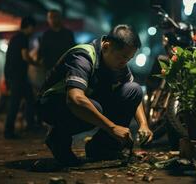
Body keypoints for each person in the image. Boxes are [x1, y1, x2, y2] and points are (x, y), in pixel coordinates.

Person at [37, 24, 153, 166]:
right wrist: (112, 128)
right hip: (50, 104)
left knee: (133, 90)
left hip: (83, 101)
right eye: (122, 57)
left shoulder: (118, 63)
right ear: (106, 47)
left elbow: (135, 96)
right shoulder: (83, 56)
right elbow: (75, 99)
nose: (124, 63)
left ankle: (101, 148)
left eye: (129, 59)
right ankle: (57, 138)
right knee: (93, 107)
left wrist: (144, 125)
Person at [4, 16, 38, 139]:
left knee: (29, 99)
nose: (33, 31)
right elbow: (25, 56)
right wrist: (35, 63)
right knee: (15, 103)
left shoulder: (15, 38)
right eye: (33, 28)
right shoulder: (23, 38)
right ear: (29, 26)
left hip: (14, 75)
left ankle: (30, 124)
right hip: (18, 76)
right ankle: (8, 131)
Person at [38, 9, 75, 73]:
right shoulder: (46, 35)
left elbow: (72, 50)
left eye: (54, 17)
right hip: (50, 68)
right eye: (49, 18)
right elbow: (42, 51)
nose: (51, 20)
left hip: (64, 68)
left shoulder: (68, 33)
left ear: (59, 18)